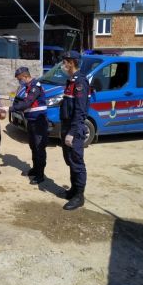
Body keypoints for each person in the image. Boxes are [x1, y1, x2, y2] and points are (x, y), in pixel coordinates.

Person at [59, 51, 90, 211]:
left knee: (77, 162)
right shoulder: (70, 81)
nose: (63, 64)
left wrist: (72, 132)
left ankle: (79, 196)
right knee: (70, 160)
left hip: (74, 129)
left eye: (64, 61)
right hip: (67, 126)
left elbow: (80, 111)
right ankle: (73, 189)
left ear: (72, 63)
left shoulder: (80, 82)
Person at [10, 67, 48, 184]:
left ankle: (40, 175)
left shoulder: (35, 86)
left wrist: (11, 108)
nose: (19, 81)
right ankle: (35, 169)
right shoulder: (28, 87)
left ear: (25, 76)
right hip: (31, 121)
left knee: (39, 148)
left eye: (19, 79)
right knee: (33, 146)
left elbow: (27, 103)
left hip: (39, 122)